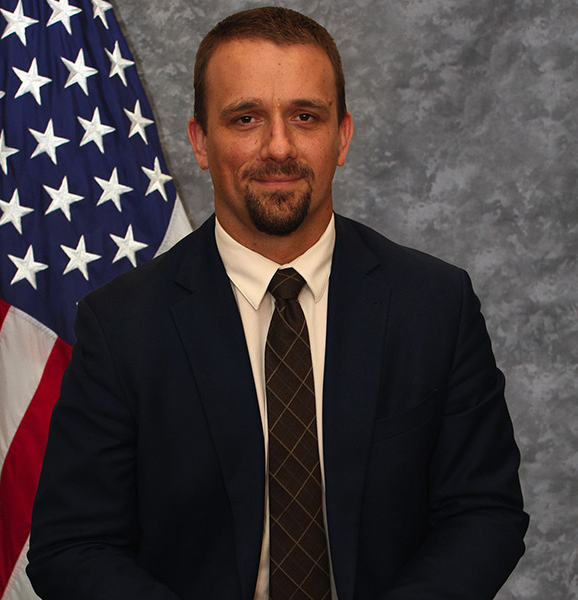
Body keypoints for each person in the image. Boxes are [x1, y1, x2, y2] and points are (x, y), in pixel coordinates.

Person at [27, 7, 528, 600]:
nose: (279, 147)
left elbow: (484, 513)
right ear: (201, 142)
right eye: (245, 118)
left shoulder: (434, 306)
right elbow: (72, 546)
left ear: (341, 137)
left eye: (305, 117)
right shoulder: (121, 325)